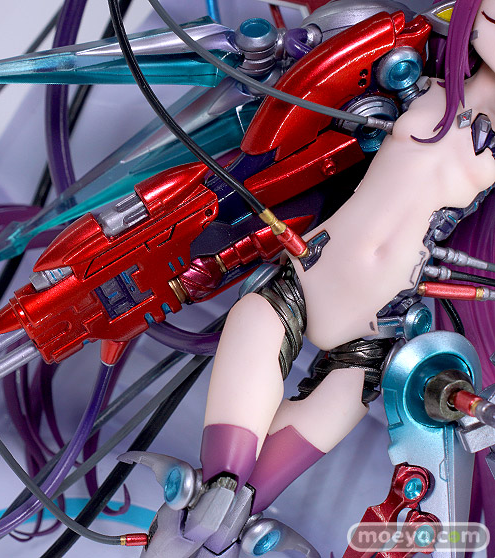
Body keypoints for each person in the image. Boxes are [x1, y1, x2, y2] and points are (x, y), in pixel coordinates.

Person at [200, 0, 495, 529]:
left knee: (336, 407)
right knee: (251, 326)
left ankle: (229, 514)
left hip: (379, 320)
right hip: (311, 268)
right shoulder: (420, 80)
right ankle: (217, 487)